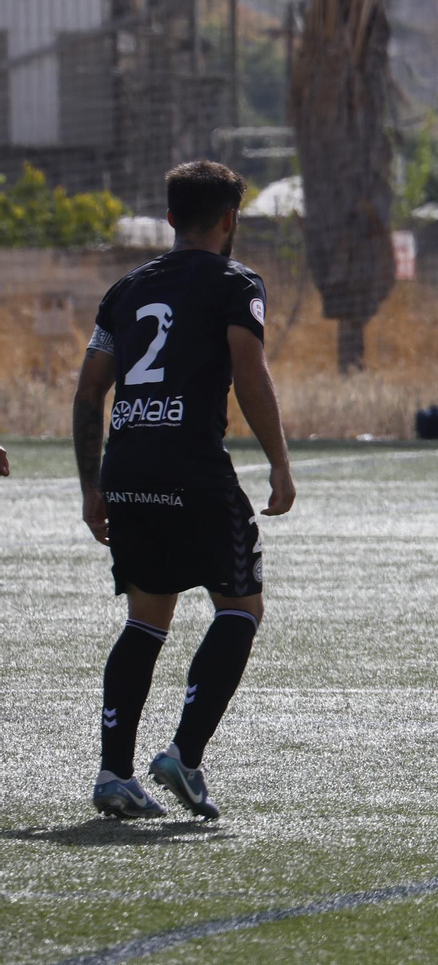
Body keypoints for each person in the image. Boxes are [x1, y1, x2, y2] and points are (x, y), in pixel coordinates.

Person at [73, 160, 295, 818]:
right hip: (191, 465)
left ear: (170, 218)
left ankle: (115, 774)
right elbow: (249, 371)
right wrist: (279, 461)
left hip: (129, 468)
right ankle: (184, 757)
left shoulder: (124, 290)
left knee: (146, 618)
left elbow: (90, 393)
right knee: (240, 608)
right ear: (229, 220)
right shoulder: (236, 282)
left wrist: (92, 487)